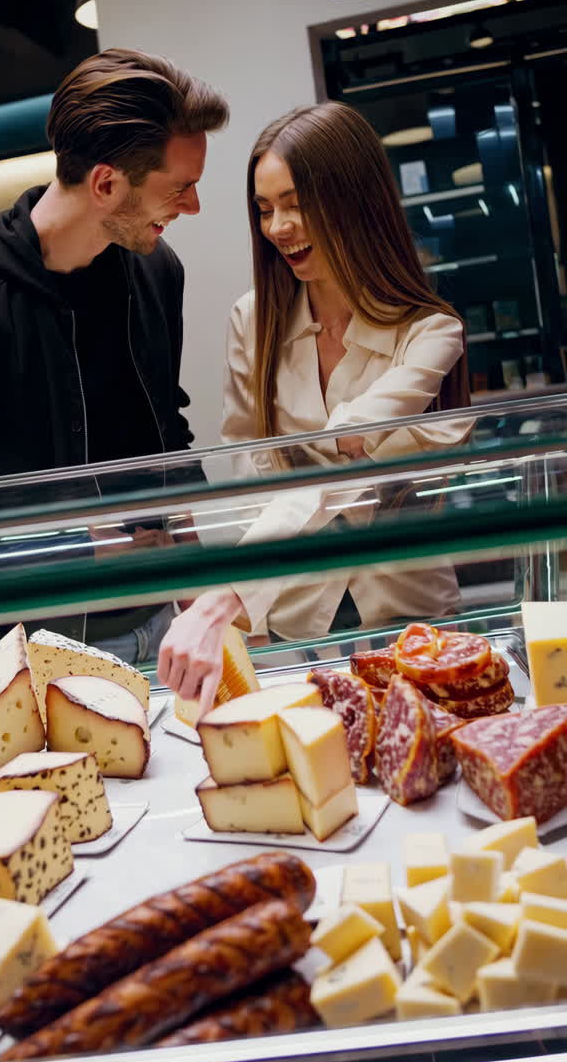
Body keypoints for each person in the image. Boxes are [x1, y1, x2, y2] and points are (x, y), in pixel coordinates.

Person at [0, 48, 229, 681]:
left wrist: (202, 608)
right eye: (180, 188)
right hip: (29, 665)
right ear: (105, 184)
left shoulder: (157, 273)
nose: (193, 207)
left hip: (165, 636)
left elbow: (167, 445)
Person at [157, 100, 471, 715]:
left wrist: (230, 595)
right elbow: (251, 478)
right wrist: (256, 616)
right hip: (299, 623)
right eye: (266, 209)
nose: (278, 227)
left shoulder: (432, 333)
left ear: (354, 200)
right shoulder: (253, 322)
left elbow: (347, 453)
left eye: (297, 203)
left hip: (415, 616)